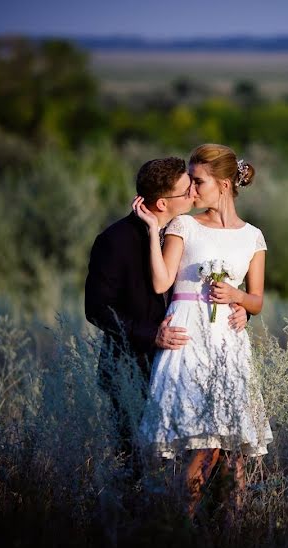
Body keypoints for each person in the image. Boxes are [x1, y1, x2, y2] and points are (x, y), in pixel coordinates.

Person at [134, 143, 273, 521]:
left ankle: (234, 531)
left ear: (224, 185)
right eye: (191, 183)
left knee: (232, 448)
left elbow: (257, 300)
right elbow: (162, 282)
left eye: (197, 182)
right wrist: (152, 231)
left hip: (228, 342)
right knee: (200, 442)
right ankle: (180, 524)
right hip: (189, 338)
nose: (190, 191)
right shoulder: (183, 226)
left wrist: (238, 297)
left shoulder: (252, 237)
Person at [84, 156, 247, 470]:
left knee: (195, 456)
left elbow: (219, 281)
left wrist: (242, 309)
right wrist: (150, 335)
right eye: (186, 191)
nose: (194, 195)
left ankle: (188, 517)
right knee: (135, 460)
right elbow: (97, 309)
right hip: (132, 366)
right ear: (161, 204)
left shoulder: (189, 230)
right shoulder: (114, 242)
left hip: (187, 364)